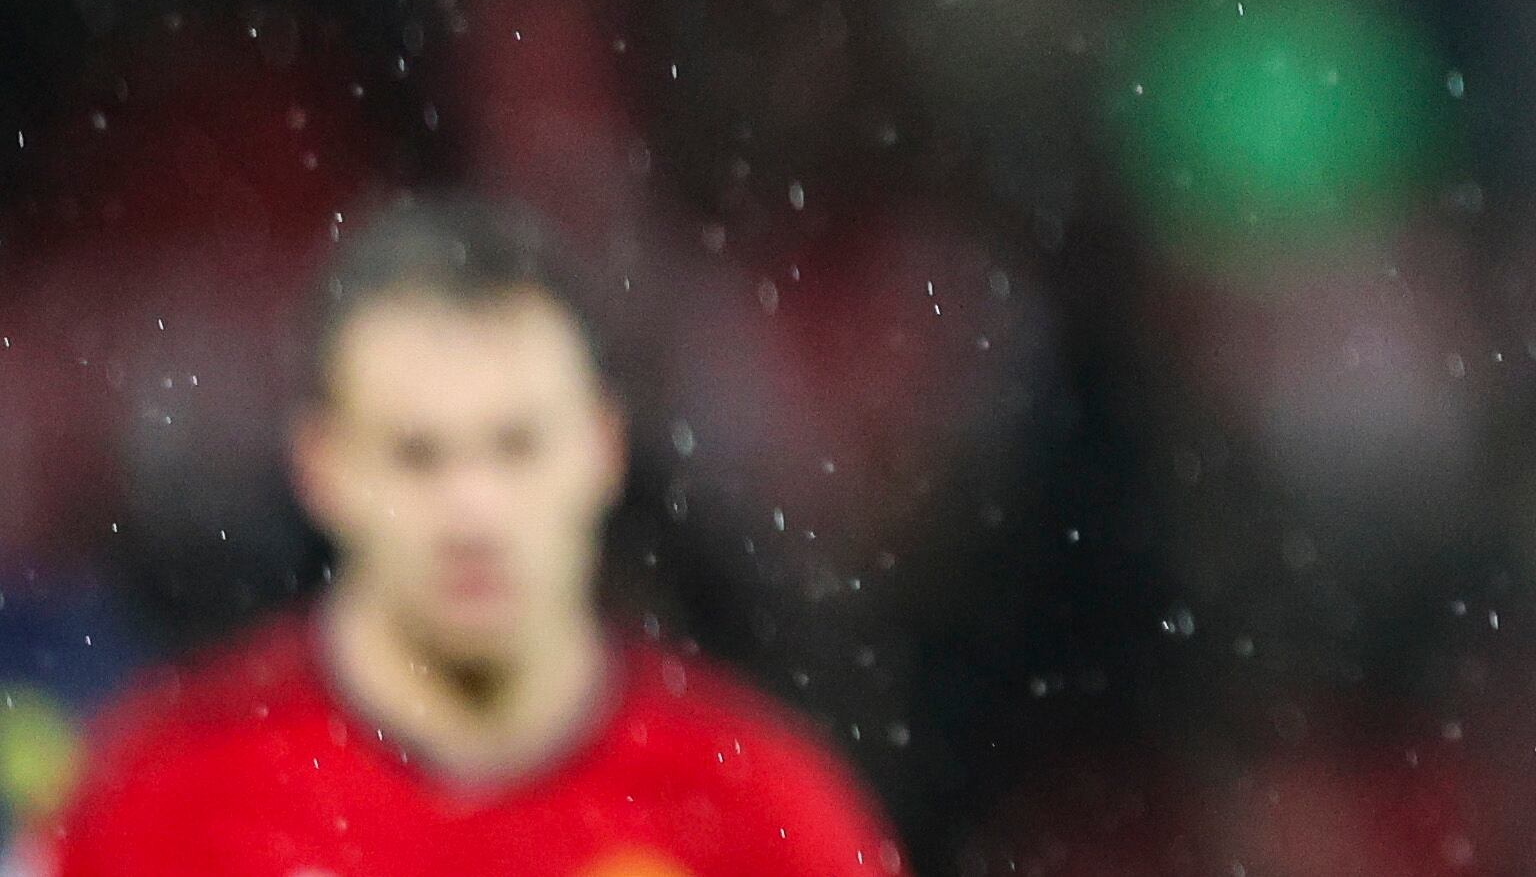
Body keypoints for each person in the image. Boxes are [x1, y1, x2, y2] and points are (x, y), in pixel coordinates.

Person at [32, 195, 900, 877]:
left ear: (602, 449)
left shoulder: (761, 813)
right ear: (323, 469)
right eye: (418, 456)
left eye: (516, 446)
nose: (473, 513)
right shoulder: (164, 804)